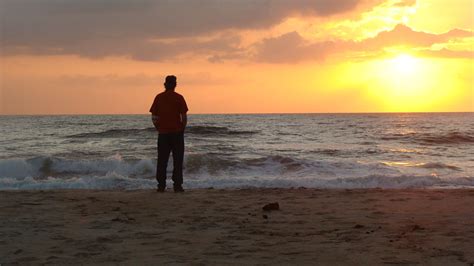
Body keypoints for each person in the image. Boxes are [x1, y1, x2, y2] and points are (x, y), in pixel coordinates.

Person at [149, 75, 188, 192]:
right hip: (177, 133)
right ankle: (177, 185)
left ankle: (161, 185)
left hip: (163, 134)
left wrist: (158, 127)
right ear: (175, 84)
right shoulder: (179, 97)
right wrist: (182, 128)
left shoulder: (159, 97)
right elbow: (184, 117)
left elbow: (153, 117)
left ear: (165, 84)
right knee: (178, 160)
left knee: (162, 160)